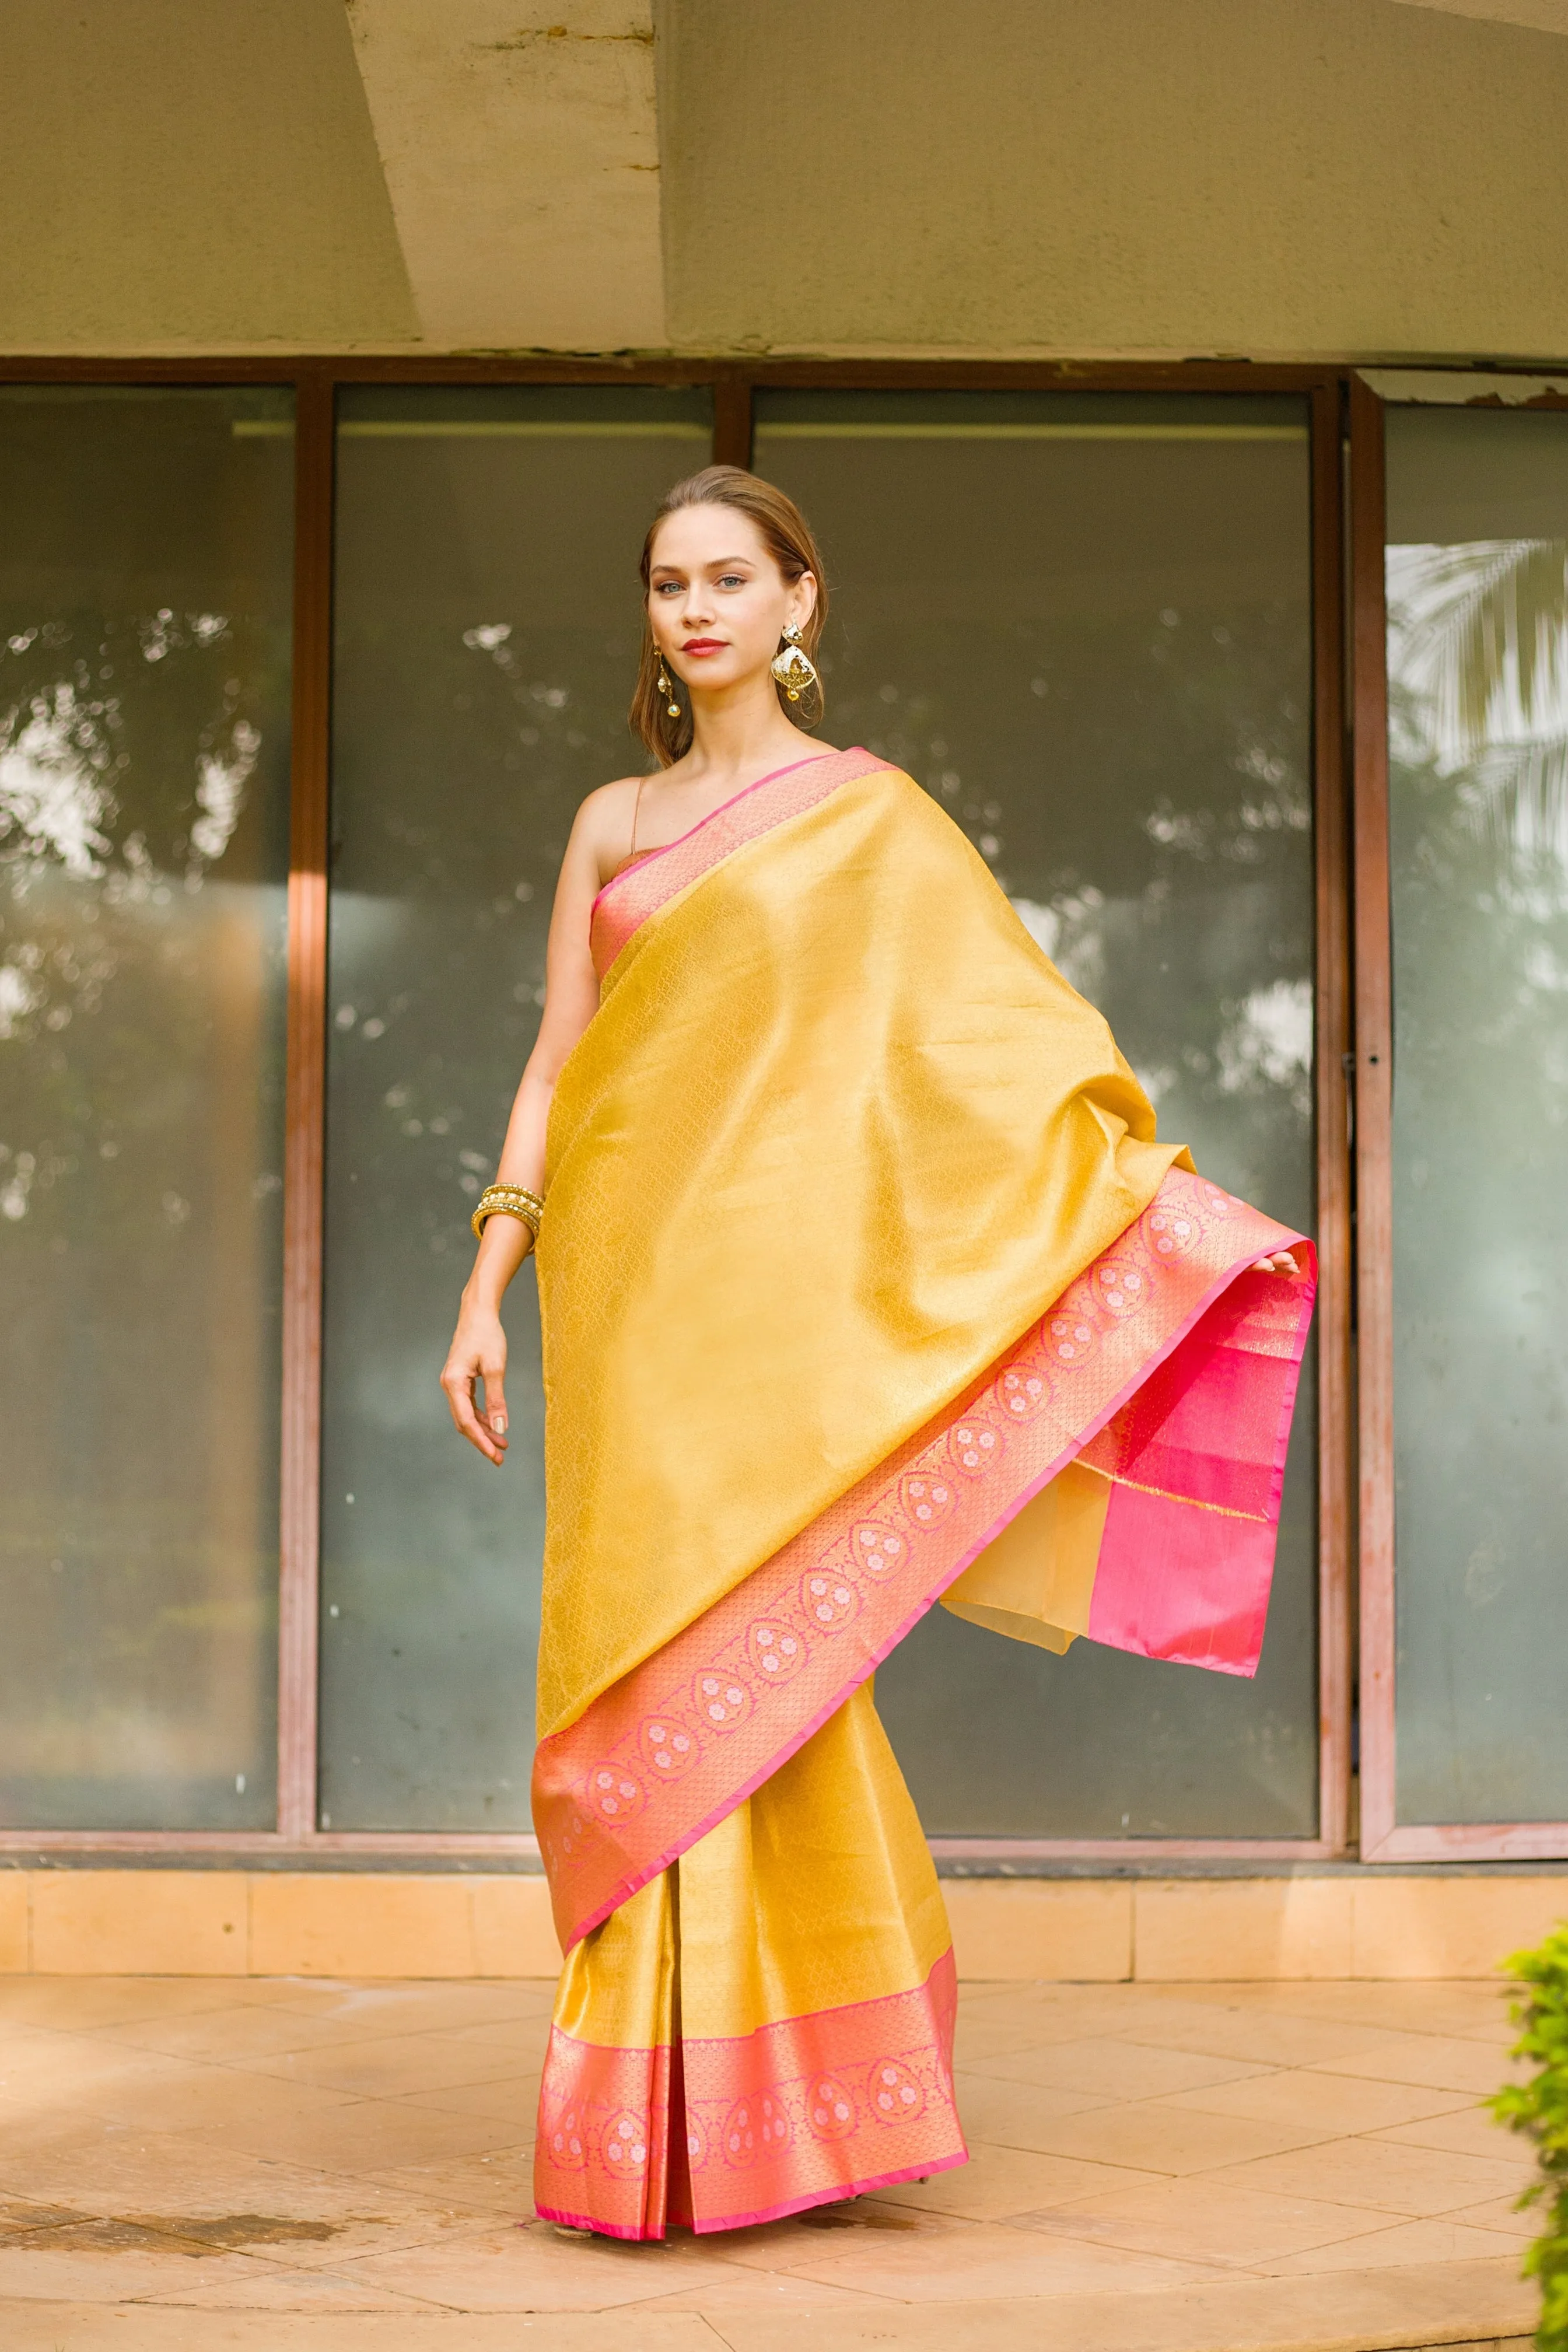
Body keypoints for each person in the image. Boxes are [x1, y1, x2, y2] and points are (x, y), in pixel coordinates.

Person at [440, 465, 1314, 2240]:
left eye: (731, 580)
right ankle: (664, 2121)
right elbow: (557, 1063)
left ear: (798, 607)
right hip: (623, 1309)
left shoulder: (871, 819)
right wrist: (487, 1277)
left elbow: (986, 1041)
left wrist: (1135, 1204)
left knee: (773, 1670)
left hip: (775, 1318)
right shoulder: (612, 822)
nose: (696, 611)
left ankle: (772, 2113)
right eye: (668, 583)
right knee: (643, 1674)